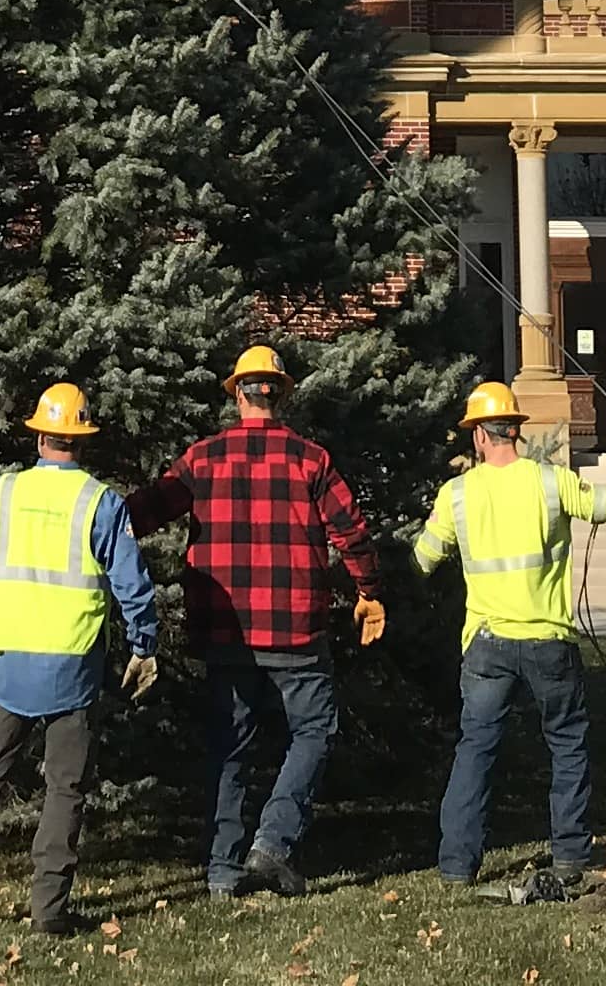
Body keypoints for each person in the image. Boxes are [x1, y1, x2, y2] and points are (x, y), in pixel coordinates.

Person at [125, 344, 385, 900]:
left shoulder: (201, 458)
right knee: (313, 732)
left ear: (237, 394)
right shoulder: (310, 459)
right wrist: (369, 592)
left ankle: (222, 869)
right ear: (281, 394)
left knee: (229, 746)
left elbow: (141, 513)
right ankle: (273, 844)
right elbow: (352, 534)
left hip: (223, 630)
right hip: (295, 628)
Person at [0, 381, 160, 940]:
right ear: (81, 438)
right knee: (65, 790)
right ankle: (49, 910)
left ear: (41, 434)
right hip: (73, 668)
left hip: (11, 668)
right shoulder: (100, 502)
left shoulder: (4, 493)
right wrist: (144, 646)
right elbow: (132, 586)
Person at [409, 381, 606, 903]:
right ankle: (569, 855)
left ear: (479, 436)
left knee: (476, 748)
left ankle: (457, 863)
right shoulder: (551, 482)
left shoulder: (456, 494)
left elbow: (421, 560)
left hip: (486, 643)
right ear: (515, 431)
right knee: (566, 746)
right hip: (548, 641)